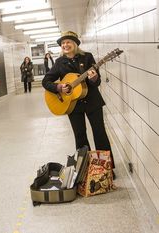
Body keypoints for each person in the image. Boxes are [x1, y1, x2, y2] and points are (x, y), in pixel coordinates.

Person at [41, 31, 116, 179]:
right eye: (63, 43)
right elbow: (46, 81)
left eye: (68, 42)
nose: (65, 45)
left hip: (92, 101)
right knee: (80, 137)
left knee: (99, 134)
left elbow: (97, 81)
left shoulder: (87, 57)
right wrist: (58, 88)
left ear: (74, 44)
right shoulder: (59, 62)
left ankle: (106, 170)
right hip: (73, 105)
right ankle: (86, 170)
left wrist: (94, 79)